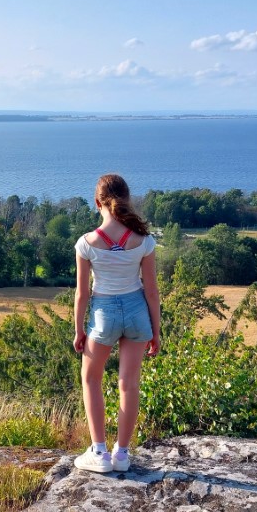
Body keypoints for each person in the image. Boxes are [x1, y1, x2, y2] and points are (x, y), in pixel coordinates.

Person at [72, 173, 161, 473]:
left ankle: (99, 452)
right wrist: (156, 332)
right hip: (137, 313)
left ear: (97, 202)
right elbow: (151, 291)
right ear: (126, 199)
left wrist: (78, 330)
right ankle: (122, 455)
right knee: (129, 384)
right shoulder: (144, 241)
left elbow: (82, 293)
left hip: (103, 315)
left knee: (91, 379)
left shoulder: (86, 243)